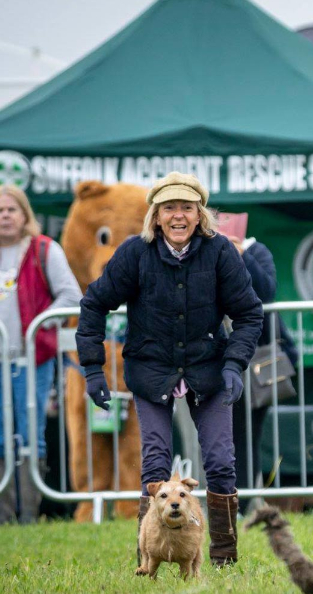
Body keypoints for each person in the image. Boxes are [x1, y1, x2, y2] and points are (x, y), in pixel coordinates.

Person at [77, 172, 262, 566]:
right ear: (156, 216)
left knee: (220, 462)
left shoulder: (220, 251)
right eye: (169, 208)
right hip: (151, 369)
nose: (178, 215)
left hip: (208, 369)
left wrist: (234, 364)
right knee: (155, 465)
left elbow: (249, 313)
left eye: (187, 208)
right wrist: (92, 368)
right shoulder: (134, 252)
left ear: (200, 214)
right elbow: (94, 303)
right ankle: (148, 558)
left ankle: (224, 555)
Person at [0, 185, 82, 524]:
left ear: (24, 215)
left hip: (32, 360)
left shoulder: (44, 249)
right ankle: (2, 518)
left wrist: (38, 324)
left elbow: (71, 296)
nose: (6, 215)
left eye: (12, 209)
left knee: (30, 435)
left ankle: (29, 516)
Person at [228, 233, 298, 499]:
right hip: (212, 357)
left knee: (245, 436)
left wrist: (241, 254)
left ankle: (243, 503)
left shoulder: (255, 249)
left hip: (252, 360)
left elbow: (266, 291)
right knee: (220, 438)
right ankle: (227, 500)